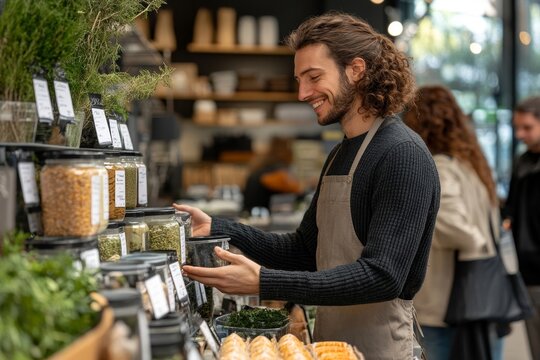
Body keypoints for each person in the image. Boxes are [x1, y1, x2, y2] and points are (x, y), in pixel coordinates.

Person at [175, 12, 440, 359]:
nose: (302, 93)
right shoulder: (340, 154)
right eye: (300, 79)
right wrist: (220, 227)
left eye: (313, 77)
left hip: (381, 347)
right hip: (331, 345)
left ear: (356, 70)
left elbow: (383, 275)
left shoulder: (402, 155)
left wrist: (265, 282)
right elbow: (303, 251)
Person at [403, 85, 505, 360]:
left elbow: (453, 227)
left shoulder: (440, 167)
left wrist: (476, 245)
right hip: (477, 294)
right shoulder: (470, 164)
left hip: (446, 300)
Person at [503, 96, 540, 360]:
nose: (520, 134)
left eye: (526, 127)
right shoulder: (522, 162)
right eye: (517, 127)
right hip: (528, 270)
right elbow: (511, 210)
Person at [242, 137, 303, 215]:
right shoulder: (276, 171)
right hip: (258, 215)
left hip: (252, 212)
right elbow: (296, 189)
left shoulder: (263, 165)